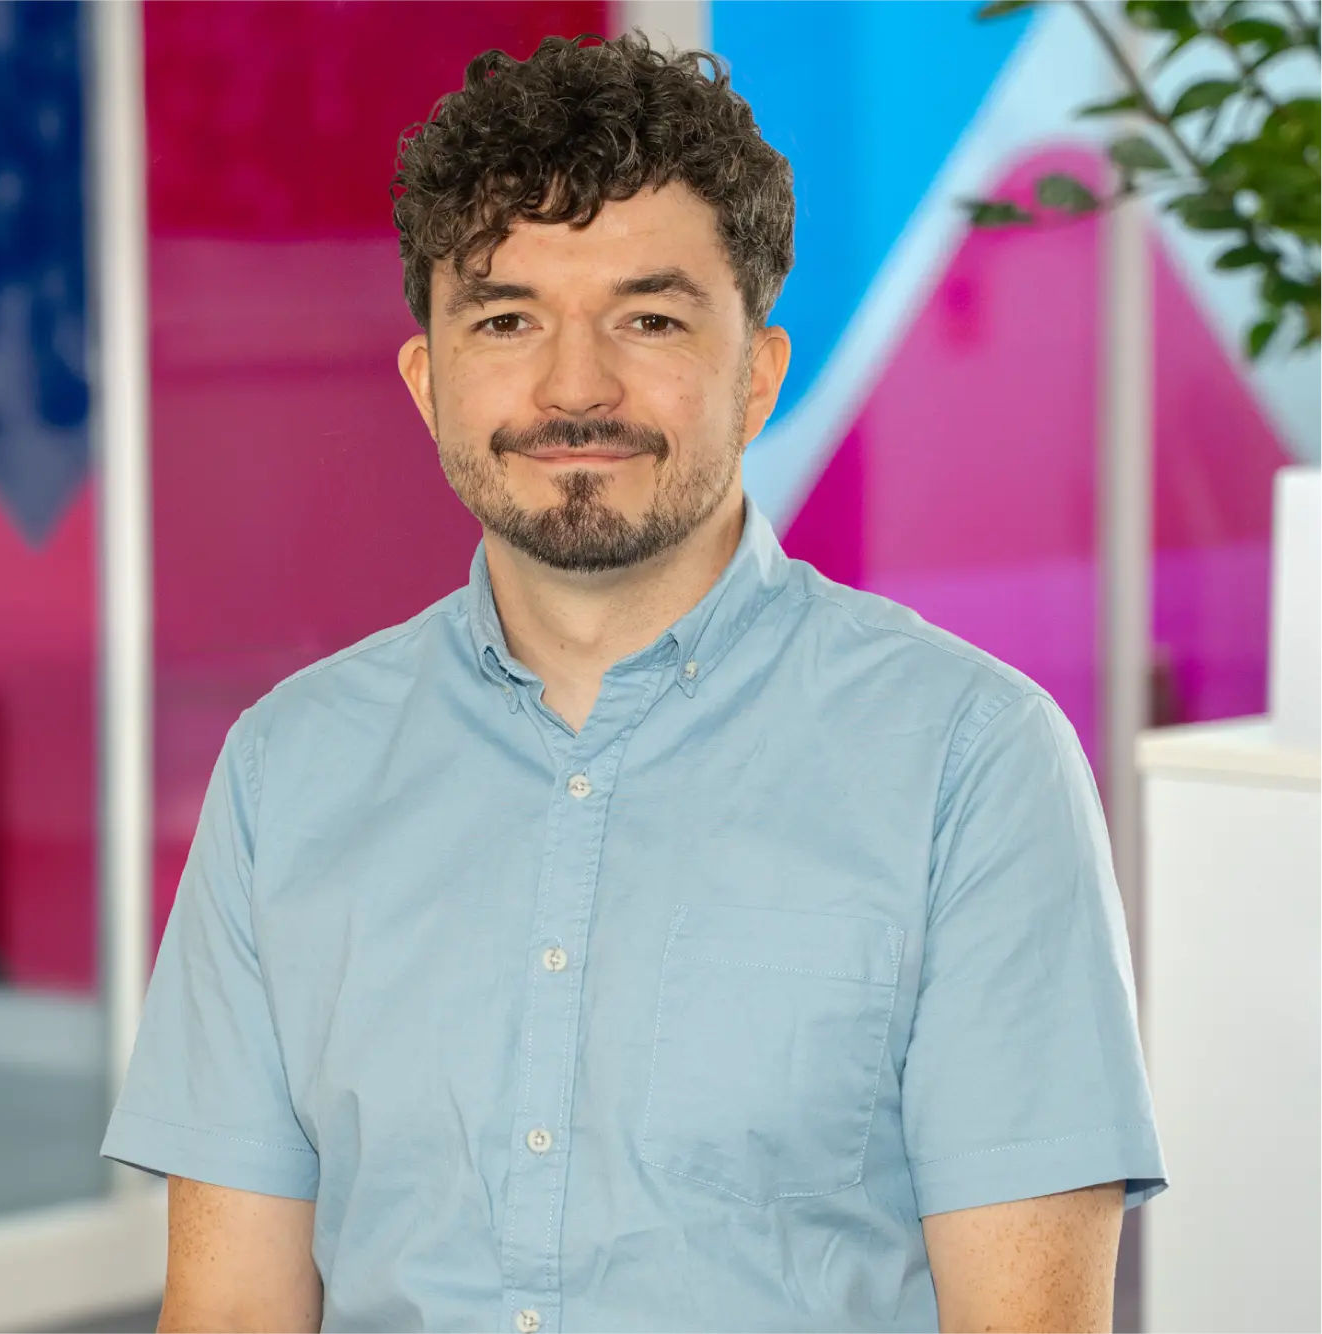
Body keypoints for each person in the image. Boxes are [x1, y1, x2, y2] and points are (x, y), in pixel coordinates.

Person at [102, 33, 1166, 1334]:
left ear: (759, 371)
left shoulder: (971, 762)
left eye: (648, 317)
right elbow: (229, 1311)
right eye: (508, 319)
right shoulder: (288, 772)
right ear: (429, 382)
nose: (575, 385)